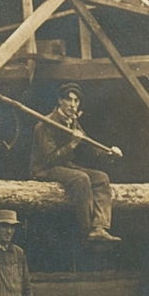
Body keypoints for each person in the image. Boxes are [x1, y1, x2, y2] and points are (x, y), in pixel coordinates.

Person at [31, 82, 121, 243]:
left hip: (65, 167)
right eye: (69, 100)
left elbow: (89, 145)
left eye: (76, 101)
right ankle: (87, 232)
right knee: (81, 178)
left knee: (101, 178)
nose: (73, 105)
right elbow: (50, 159)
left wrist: (108, 152)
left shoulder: (72, 122)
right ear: (60, 101)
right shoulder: (44, 124)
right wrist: (72, 144)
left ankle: (99, 227)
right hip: (45, 169)